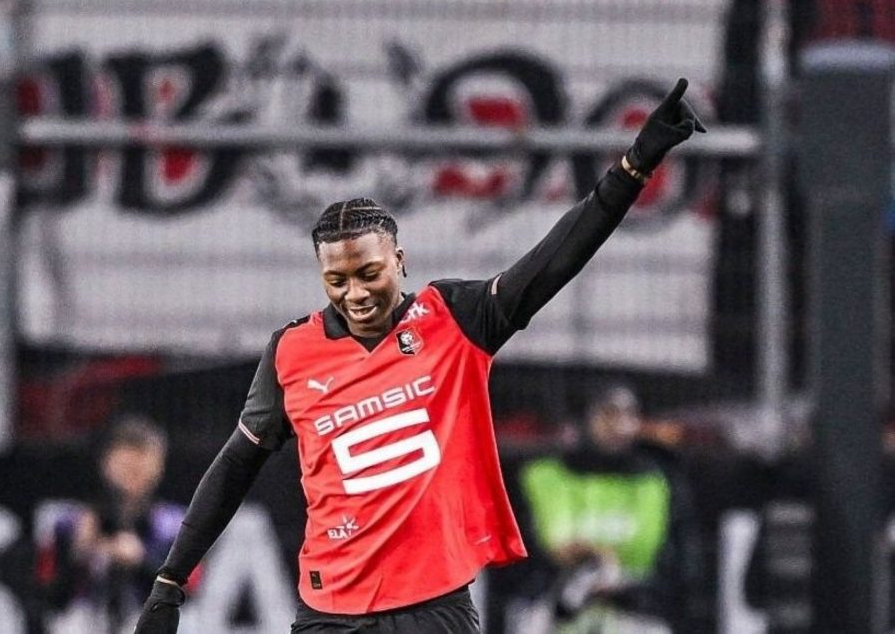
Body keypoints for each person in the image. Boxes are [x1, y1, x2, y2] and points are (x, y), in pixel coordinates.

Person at [133, 79, 705, 634]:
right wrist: (169, 581)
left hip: (434, 607)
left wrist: (634, 166)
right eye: (336, 280)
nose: (355, 293)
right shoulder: (290, 352)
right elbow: (235, 466)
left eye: (369, 273)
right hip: (329, 612)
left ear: (400, 260)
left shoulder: (454, 319)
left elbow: (554, 260)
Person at [517, 383, 700, 633]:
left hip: (636, 619)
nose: (620, 425)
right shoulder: (542, 476)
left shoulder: (656, 482)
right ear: (584, 417)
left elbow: (682, 568)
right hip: (556, 616)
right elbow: (516, 565)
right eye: (608, 414)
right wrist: (565, 568)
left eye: (629, 415)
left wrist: (630, 591)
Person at [45, 416, 185, 634]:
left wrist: (141, 561)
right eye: (126, 468)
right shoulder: (70, 523)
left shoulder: (173, 526)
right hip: (86, 619)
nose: (133, 478)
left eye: (140, 470)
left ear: (158, 467)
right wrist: (78, 554)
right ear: (106, 464)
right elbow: (47, 595)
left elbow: (191, 593)